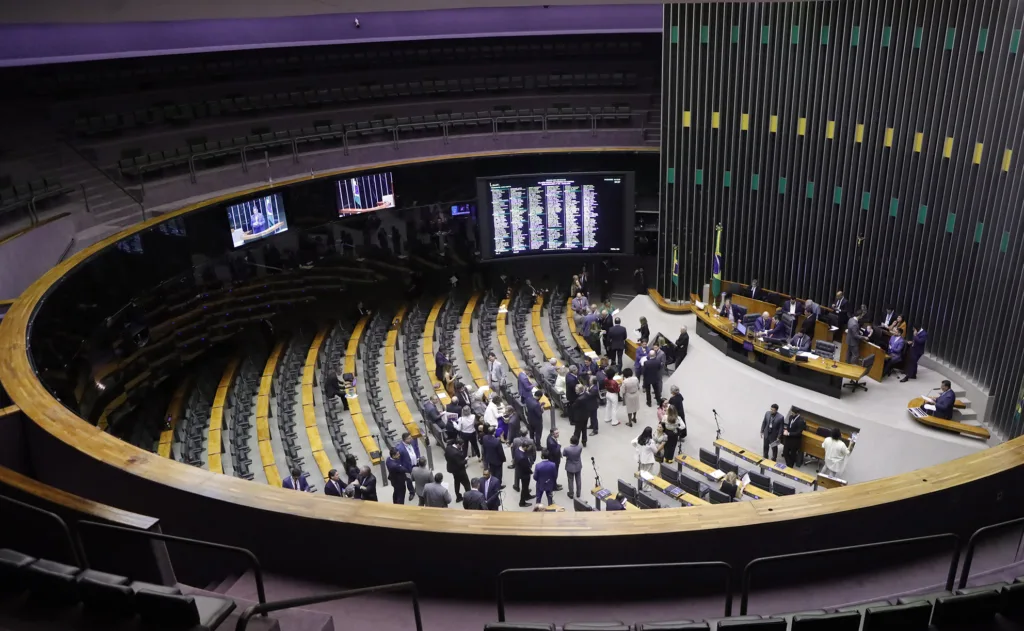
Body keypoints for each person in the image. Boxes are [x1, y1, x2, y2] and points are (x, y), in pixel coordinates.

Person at [397, 432, 419, 501]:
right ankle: (412, 492)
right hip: (407, 467)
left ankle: (418, 488)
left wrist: (418, 456)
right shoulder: (400, 448)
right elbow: (399, 460)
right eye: (409, 438)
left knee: (418, 477)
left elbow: (416, 449)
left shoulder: (413, 442)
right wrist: (403, 469)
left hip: (416, 464)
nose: (411, 439)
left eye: (410, 437)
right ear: (404, 440)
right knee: (409, 480)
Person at [514, 442, 535, 507]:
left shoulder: (517, 449)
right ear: (525, 447)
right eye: (528, 447)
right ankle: (522, 502)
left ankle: (527, 495)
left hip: (519, 470)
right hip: (524, 474)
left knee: (526, 486)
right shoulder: (522, 457)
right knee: (524, 487)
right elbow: (526, 467)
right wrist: (531, 472)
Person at [562, 435, 584, 500]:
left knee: (570, 480)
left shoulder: (566, 449)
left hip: (570, 466)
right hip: (578, 465)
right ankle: (578, 493)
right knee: (578, 479)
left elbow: (564, 454)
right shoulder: (580, 448)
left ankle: (571, 493)